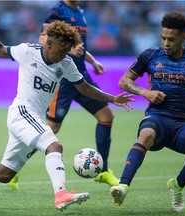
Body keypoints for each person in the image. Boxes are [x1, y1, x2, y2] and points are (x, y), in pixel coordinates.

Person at [0, 5, 134, 211]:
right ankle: (61, 194)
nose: (64, 54)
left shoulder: (66, 63)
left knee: (5, 174)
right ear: (49, 43)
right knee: (54, 146)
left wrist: (113, 99)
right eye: (61, 49)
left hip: (33, 119)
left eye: (67, 50)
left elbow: (84, 88)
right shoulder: (28, 51)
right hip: (21, 113)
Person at [110, 11, 185, 212]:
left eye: (172, 39)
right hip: (156, 118)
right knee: (147, 134)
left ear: (184, 37)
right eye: (163, 38)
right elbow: (124, 81)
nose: (166, 43)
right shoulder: (150, 55)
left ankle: (177, 185)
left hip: (183, 124)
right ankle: (123, 186)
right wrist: (145, 93)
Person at [42, 0, 119, 187]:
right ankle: (13, 169)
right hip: (62, 78)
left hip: (80, 76)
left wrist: (92, 61)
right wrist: (68, 49)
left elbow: (79, 46)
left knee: (106, 116)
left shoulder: (80, 12)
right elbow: (43, 39)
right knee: (50, 129)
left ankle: (104, 171)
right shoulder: (57, 10)